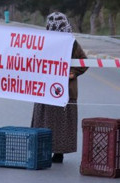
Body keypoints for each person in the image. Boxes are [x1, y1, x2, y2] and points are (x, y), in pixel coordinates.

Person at [30, 12, 88, 163]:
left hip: (65, 91)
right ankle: (44, 150)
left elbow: (84, 61)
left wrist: (73, 73)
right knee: (45, 121)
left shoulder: (72, 43)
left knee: (61, 123)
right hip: (45, 90)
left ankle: (58, 153)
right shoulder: (42, 42)